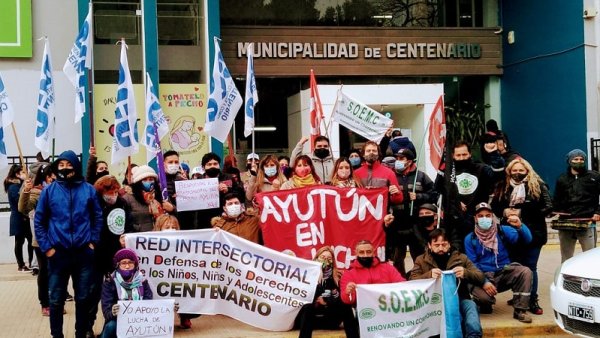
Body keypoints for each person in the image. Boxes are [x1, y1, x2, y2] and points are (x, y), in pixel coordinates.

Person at [34, 150, 104, 338]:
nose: (65, 168)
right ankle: (56, 335)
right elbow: (39, 222)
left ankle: (80, 333)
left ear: (76, 166)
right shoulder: (49, 191)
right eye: (61, 165)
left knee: (83, 298)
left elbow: (97, 218)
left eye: (69, 164)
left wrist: (93, 243)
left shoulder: (88, 190)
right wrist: (47, 248)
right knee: (56, 300)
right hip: (58, 255)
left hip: (83, 254)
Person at [491, 158, 552, 315]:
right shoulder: (502, 186)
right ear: (509, 171)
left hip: (533, 232)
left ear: (527, 171)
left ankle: (532, 300)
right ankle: (519, 297)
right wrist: (504, 211)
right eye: (514, 170)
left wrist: (522, 212)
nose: (517, 173)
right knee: (516, 267)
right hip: (510, 234)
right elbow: (495, 207)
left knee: (530, 267)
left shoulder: (537, 185)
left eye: (521, 170)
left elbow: (548, 207)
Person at [464, 202, 533, 323]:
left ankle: (520, 310)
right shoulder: (470, 239)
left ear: (492, 216)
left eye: (487, 215)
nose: (484, 218)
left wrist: (520, 226)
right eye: (480, 216)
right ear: (475, 218)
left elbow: (527, 239)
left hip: (503, 272)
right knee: (484, 300)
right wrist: (484, 282)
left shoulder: (502, 231)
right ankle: (484, 303)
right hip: (483, 275)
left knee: (525, 272)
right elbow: (473, 265)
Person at [409, 228, 485, 338]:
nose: (441, 248)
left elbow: (480, 277)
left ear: (449, 244)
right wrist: (429, 275)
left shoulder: (461, 258)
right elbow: (411, 280)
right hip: (434, 303)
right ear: (429, 245)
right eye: (436, 245)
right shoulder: (421, 260)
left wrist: (465, 272)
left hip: (460, 299)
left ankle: (474, 336)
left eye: (444, 244)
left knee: (471, 307)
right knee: (455, 318)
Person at [435, 140, 505, 247]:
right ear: (453, 155)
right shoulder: (448, 172)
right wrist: (456, 203)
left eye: (464, 154)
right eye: (458, 155)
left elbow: (498, 174)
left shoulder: (480, 168)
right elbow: (438, 191)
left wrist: (493, 154)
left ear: (470, 154)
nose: (462, 158)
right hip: (454, 223)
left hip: (478, 220)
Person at [90, 175, 134, 334]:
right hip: (97, 255)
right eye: (110, 192)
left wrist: (127, 235)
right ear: (102, 192)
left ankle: (111, 326)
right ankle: (88, 326)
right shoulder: (94, 204)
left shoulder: (122, 203)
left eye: (116, 191)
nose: (113, 195)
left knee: (115, 292)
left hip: (116, 255)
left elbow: (129, 223)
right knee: (93, 293)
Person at [340, 240, 405, 337]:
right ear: (356, 253)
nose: (365, 255)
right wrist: (348, 292)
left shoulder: (387, 267)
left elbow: (402, 285)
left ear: (373, 252)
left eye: (368, 252)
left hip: (388, 308)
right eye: (362, 252)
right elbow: (346, 300)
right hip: (365, 312)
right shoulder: (349, 273)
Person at [388, 148, 436, 277]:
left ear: (409, 161)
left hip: (416, 223)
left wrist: (419, 196)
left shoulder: (421, 176)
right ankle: (400, 281)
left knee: (419, 255)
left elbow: (434, 194)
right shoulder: (391, 176)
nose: (398, 161)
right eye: (396, 159)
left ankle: (420, 279)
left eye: (401, 159)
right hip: (397, 223)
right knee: (398, 257)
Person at [295, 246, 358, 338]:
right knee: (308, 306)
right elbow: (302, 296)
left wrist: (326, 302)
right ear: (316, 258)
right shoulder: (306, 274)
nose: (326, 261)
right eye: (323, 258)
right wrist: (318, 278)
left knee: (346, 306)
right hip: (308, 319)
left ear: (333, 261)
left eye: (329, 259)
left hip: (330, 319)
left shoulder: (338, 276)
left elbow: (341, 299)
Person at [19, 163, 56, 315]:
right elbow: (23, 208)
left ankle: (56, 301)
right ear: (46, 177)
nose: (54, 178)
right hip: (41, 241)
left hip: (59, 239)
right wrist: (26, 190)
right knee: (45, 271)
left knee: (57, 272)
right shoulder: (37, 193)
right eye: (51, 176)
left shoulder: (61, 191)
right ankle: (45, 303)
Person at [151, 215, 199, 328]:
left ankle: (185, 315)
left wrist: (214, 233)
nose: (171, 230)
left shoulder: (185, 244)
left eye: (174, 227)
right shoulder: (150, 243)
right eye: (167, 227)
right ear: (159, 228)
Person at [553, 149, 600, 262]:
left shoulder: (594, 177)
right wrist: (552, 211)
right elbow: (557, 199)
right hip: (566, 223)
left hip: (587, 223)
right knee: (566, 258)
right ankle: (567, 279)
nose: (579, 161)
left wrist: (598, 212)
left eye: (581, 159)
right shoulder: (562, 179)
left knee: (590, 257)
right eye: (575, 159)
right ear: (569, 161)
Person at [100, 249, 153, 338]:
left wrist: (169, 308)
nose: (127, 266)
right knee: (111, 326)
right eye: (123, 263)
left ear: (135, 265)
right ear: (117, 265)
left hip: (140, 321)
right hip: (118, 321)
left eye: (130, 263)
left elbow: (150, 304)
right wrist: (113, 312)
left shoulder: (143, 282)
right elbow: (106, 312)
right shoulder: (110, 282)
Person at [196, 152, 246, 229]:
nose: (212, 166)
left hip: (225, 220)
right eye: (209, 164)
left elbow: (241, 195)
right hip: (204, 220)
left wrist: (228, 192)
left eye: (215, 164)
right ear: (203, 167)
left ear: (219, 165)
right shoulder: (198, 181)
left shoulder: (228, 178)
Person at [122, 165, 170, 232]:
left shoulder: (161, 195)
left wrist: (172, 208)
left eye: (151, 179)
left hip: (160, 236)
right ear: (138, 182)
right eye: (144, 180)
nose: (148, 182)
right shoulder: (128, 198)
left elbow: (172, 217)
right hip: (140, 237)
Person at [353, 141, 403, 205]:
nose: (371, 152)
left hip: (383, 213)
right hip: (362, 213)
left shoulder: (389, 173)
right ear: (363, 154)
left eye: (374, 151)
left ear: (378, 154)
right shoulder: (356, 174)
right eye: (368, 151)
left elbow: (398, 200)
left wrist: (397, 193)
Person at [4, 163, 32, 272]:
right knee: (19, 242)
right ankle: (21, 265)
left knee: (30, 240)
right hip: (18, 218)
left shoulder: (21, 184)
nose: (26, 174)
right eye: (23, 172)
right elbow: (19, 201)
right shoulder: (13, 187)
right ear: (17, 174)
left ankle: (31, 262)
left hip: (25, 217)